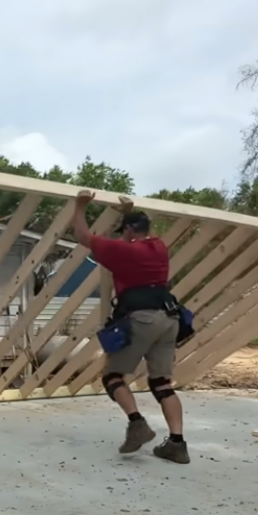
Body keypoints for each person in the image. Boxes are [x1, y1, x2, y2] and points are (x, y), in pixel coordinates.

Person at [73, 191, 189, 464]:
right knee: (161, 383)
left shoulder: (121, 250)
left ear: (126, 231)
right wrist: (130, 212)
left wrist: (79, 206)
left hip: (141, 318)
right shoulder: (160, 246)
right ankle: (177, 443)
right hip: (169, 317)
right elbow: (137, 230)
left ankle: (137, 423)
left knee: (113, 377)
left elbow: (82, 236)